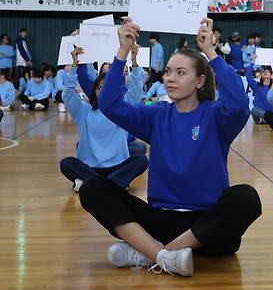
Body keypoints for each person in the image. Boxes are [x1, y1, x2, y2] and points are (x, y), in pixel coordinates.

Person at [79, 17, 261, 277]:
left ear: (199, 81)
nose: (170, 78)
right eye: (167, 71)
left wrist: (210, 52)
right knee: (92, 187)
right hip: (159, 220)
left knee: (246, 197)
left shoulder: (216, 116)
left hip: (207, 228)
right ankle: (163, 256)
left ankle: (147, 254)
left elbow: (240, 105)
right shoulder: (157, 116)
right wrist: (122, 51)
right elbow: (110, 105)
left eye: (180, 72)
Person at [59, 47, 148, 193]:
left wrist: (134, 62)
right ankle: (114, 184)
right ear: (94, 90)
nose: (104, 91)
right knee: (66, 163)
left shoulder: (122, 110)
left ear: (115, 90)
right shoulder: (84, 111)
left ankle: (90, 182)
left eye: (108, 87)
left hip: (117, 166)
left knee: (142, 160)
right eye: (100, 88)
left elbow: (136, 90)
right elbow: (68, 95)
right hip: (89, 166)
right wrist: (74, 66)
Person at [245, 55, 273, 124]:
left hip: (272, 113)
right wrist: (252, 63)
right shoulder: (256, 86)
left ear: (272, 75)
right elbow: (248, 76)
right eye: (263, 72)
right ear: (261, 75)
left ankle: (266, 120)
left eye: (268, 72)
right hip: (260, 113)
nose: (265, 72)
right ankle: (267, 119)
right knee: (254, 110)